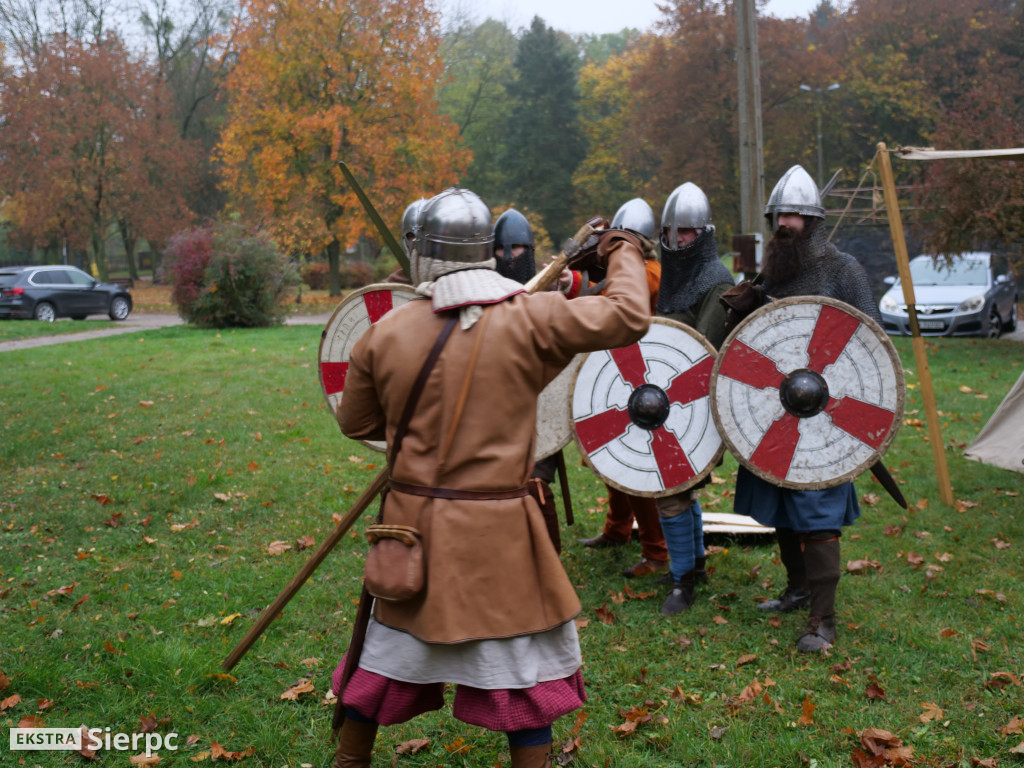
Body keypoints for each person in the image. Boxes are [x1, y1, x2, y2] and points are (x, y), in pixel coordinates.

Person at [332, 187, 651, 767]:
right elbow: (631, 314)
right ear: (487, 251)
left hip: (413, 535)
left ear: (422, 251)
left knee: (382, 668)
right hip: (500, 538)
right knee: (520, 682)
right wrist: (624, 247)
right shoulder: (533, 318)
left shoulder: (385, 335)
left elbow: (357, 422)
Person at [733, 164, 882, 652]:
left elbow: (870, 345)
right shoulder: (770, 270)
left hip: (827, 412)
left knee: (817, 511)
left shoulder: (843, 271)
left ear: (814, 221)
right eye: (780, 213)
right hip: (774, 406)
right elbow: (757, 349)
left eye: (796, 215)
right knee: (780, 501)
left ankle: (824, 618)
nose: (786, 222)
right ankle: (797, 590)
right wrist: (747, 306)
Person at [575, 198, 669, 580]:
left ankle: (657, 552)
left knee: (633, 467)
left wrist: (576, 290)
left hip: (642, 376)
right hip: (615, 372)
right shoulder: (634, 271)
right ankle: (617, 529)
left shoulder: (649, 273)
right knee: (610, 457)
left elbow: (611, 301)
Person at [652, 182, 735, 614]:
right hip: (664, 403)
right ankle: (695, 563)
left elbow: (704, 352)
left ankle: (683, 581)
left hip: (693, 404)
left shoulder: (715, 280)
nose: (679, 239)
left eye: (687, 232)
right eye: (673, 231)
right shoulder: (674, 277)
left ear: (704, 233)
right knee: (679, 491)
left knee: (670, 491)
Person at [493, 207, 562, 551]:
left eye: (516, 249)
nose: (507, 257)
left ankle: (548, 559)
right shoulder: (484, 298)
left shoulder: (550, 301)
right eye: (500, 249)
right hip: (497, 415)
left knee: (534, 483)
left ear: (529, 252)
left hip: (541, 415)